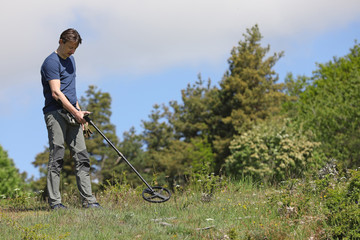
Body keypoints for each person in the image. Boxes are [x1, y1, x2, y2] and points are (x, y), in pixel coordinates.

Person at [41, 28, 100, 209]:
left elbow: (70, 91)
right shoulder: (51, 62)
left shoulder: (72, 60)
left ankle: (89, 201)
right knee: (57, 157)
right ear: (61, 41)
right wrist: (75, 113)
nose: (72, 51)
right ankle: (55, 203)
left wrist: (80, 113)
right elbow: (57, 93)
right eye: (70, 47)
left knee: (82, 157)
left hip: (74, 114)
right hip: (56, 114)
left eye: (75, 48)